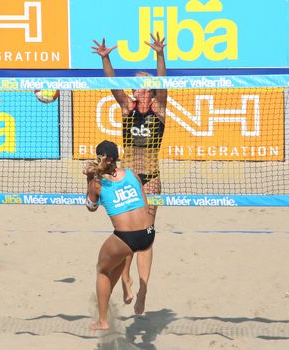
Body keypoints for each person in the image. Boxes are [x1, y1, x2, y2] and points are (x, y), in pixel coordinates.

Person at [92, 33, 167, 309]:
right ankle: (125, 277)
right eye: (136, 87)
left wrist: (159, 54)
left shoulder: (159, 109)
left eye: (143, 87)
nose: (138, 90)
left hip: (151, 179)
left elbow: (162, 83)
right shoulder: (127, 109)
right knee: (127, 233)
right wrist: (106, 58)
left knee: (146, 235)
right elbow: (112, 85)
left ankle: (143, 289)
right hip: (129, 179)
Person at [84, 140, 155, 330]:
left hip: (126, 237)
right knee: (125, 253)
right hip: (148, 233)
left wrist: (89, 180)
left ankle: (103, 321)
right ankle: (139, 289)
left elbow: (91, 207)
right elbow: (145, 204)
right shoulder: (131, 174)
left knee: (102, 270)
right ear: (116, 157)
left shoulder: (97, 183)